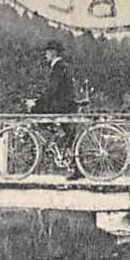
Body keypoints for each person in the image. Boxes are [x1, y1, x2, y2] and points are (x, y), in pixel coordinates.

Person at [28, 40, 82, 180]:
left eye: (46, 52)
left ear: (53, 52)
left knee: (35, 111)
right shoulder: (63, 66)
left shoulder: (57, 67)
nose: (45, 55)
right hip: (68, 105)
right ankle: (75, 167)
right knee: (71, 138)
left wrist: (36, 101)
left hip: (62, 106)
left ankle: (57, 133)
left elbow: (52, 90)